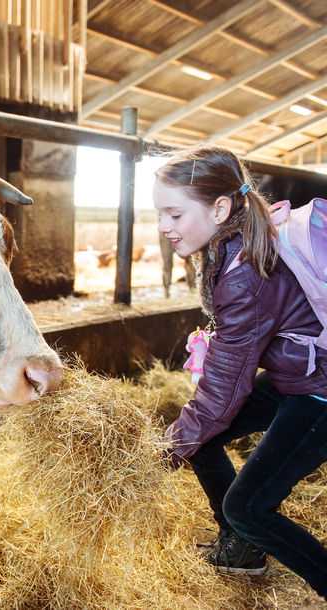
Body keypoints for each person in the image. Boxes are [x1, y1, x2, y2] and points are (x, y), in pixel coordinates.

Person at [154, 146, 327, 597]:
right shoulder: (227, 246)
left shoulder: (245, 270)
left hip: (320, 390)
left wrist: (163, 452)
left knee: (248, 506)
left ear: (220, 207)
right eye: (160, 214)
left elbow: (224, 390)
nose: (163, 227)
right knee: (203, 437)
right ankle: (243, 550)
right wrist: (188, 433)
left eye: (174, 214)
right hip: (300, 375)